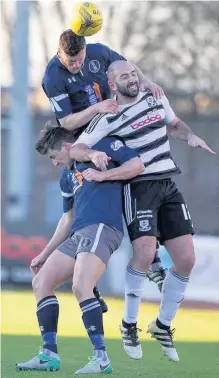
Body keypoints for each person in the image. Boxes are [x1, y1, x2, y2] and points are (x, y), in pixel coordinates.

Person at [69, 60, 216, 362]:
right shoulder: (108, 115)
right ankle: (129, 324)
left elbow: (174, 124)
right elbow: (76, 148)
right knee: (145, 253)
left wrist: (188, 135)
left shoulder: (155, 96)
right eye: (125, 76)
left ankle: (162, 325)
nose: (133, 80)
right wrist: (94, 153)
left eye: (134, 74)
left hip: (168, 184)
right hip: (139, 187)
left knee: (187, 259)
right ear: (112, 84)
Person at [42, 29, 167, 294]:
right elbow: (66, 122)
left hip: (117, 130)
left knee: (138, 183)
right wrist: (96, 109)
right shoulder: (52, 77)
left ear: (86, 50)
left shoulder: (99, 52)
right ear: (59, 52)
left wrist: (145, 82)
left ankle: (151, 258)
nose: (75, 66)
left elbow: (128, 68)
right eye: (70, 62)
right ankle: (89, 282)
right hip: (87, 140)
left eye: (79, 60)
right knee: (87, 206)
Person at [16, 126, 144, 375]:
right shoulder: (67, 176)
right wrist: (44, 254)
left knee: (80, 286)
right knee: (41, 282)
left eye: (54, 157)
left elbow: (137, 165)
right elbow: (67, 219)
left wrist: (105, 173)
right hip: (78, 233)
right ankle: (49, 355)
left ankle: (101, 358)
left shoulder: (102, 149)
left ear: (67, 147)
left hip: (102, 227)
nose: (54, 163)